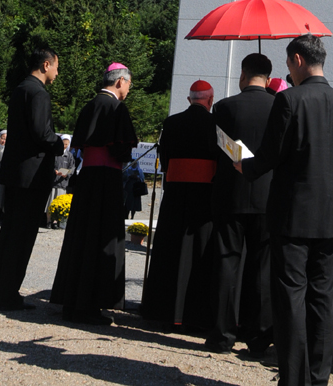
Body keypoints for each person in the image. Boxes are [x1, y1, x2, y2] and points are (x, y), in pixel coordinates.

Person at [238, 35, 333, 386]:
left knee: (290, 297)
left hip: (292, 214)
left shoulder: (289, 99)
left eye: (288, 63)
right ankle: (318, 378)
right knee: (323, 298)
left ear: (298, 59)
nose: (288, 69)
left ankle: (294, 379)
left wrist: (244, 165)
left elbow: (271, 156)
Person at [51, 63, 137, 325]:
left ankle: (71, 301)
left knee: (80, 239)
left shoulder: (90, 105)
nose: (129, 90)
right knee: (100, 240)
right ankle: (89, 306)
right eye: (129, 84)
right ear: (120, 81)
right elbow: (122, 151)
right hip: (106, 181)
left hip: (87, 178)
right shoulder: (116, 108)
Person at [206, 53, 276, 355]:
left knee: (227, 262)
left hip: (230, 194)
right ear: (269, 77)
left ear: (243, 75)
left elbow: (215, 147)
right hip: (267, 197)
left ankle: (222, 334)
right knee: (262, 267)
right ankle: (259, 336)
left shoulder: (224, 107)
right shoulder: (280, 106)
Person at [141, 79, 218, 331]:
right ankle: (195, 315)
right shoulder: (216, 124)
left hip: (175, 196)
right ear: (210, 100)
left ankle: (161, 310)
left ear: (189, 99)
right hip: (205, 198)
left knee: (169, 252)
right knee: (199, 253)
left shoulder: (171, 123)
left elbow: (164, 160)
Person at [0, 49, 63, 311]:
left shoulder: (20, 88)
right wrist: (59, 145)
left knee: (10, 232)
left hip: (16, 172)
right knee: (22, 235)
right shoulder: (39, 93)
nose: (57, 72)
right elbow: (42, 133)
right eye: (56, 66)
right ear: (46, 65)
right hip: (32, 175)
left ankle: (1, 290)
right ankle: (8, 294)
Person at [47, 134, 75, 227]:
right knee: (50, 203)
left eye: (67, 144)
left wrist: (67, 173)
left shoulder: (70, 156)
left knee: (59, 203)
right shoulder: (55, 153)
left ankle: (56, 221)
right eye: (63, 144)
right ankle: (48, 221)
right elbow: (50, 164)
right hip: (53, 182)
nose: (65, 146)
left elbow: (72, 168)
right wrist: (54, 171)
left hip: (62, 183)